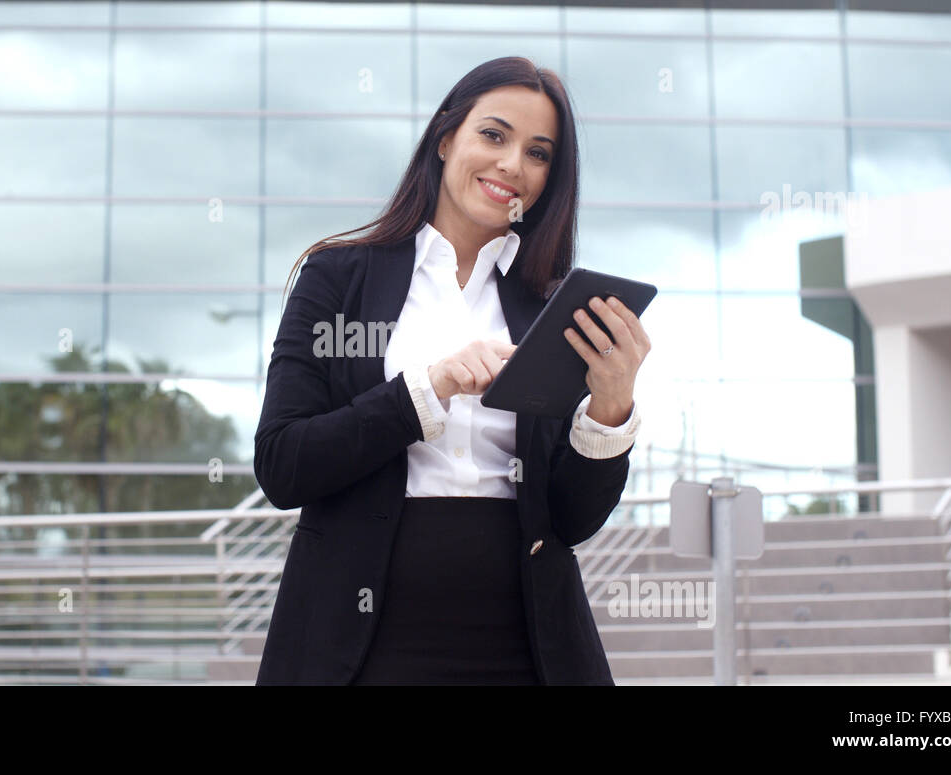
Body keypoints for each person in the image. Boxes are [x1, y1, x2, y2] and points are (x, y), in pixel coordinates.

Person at [253, 56, 652, 685]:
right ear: (445, 139)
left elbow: (571, 520)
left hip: (526, 647)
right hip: (358, 647)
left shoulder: (551, 309)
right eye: (494, 135)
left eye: (539, 153)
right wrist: (427, 390)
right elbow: (284, 464)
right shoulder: (337, 279)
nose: (513, 165)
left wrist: (611, 407)